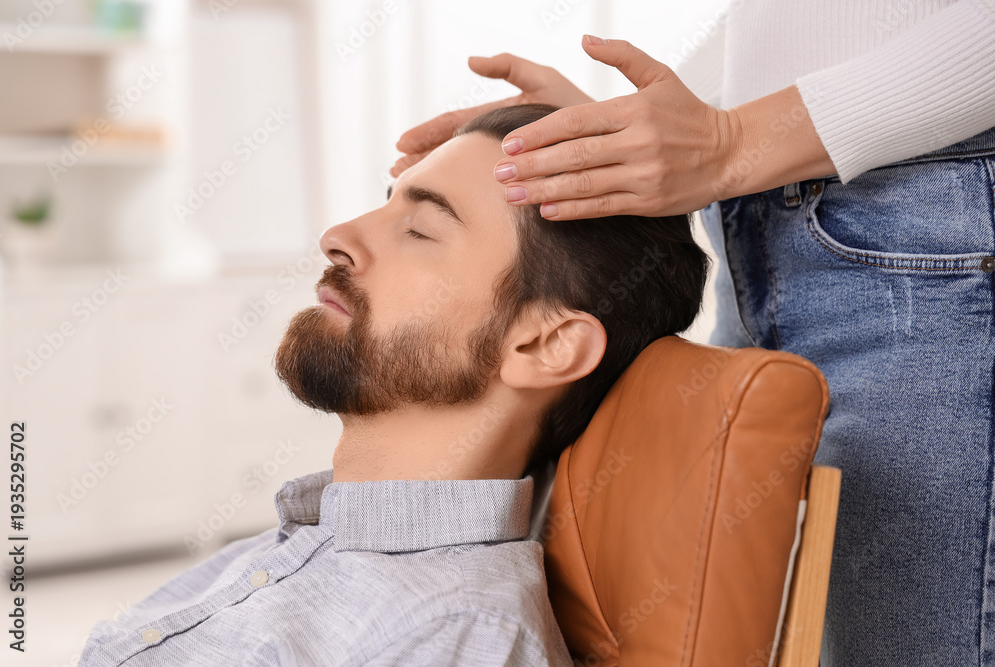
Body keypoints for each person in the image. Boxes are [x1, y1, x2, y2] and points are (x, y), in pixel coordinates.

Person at [390, 10, 995, 666]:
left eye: (420, 229)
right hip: (759, 215)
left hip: (926, 229)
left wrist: (732, 141)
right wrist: (626, 136)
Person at [77, 104, 708, 667]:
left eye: (420, 230)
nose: (339, 237)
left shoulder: (456, 631)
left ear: (544, 345)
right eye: (386, 202)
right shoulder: (303, 544)